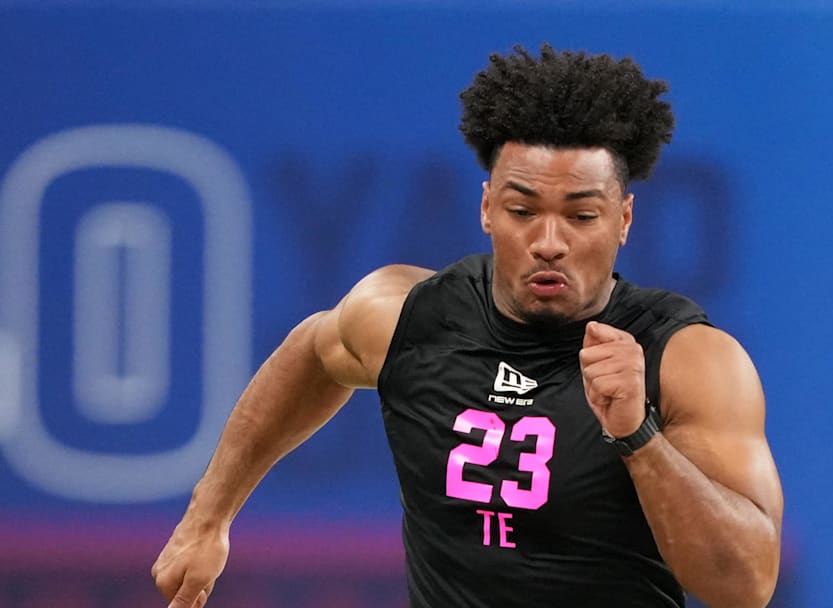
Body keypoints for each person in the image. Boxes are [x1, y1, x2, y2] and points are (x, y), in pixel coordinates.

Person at [151, 43, 783, 608]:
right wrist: (207, 521)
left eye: (582, 216)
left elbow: (745, 585)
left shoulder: (685, 360)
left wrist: (638, 437)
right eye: (522, 210)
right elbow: (315, 351)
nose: (549, 241)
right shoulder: (409, 318)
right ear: (487, 209)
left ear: (624, 219)